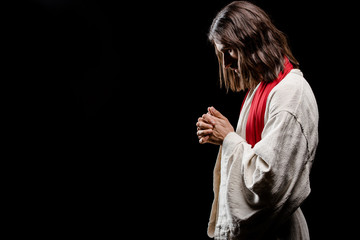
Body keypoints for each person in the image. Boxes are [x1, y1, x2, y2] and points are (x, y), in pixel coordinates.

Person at [196, 1, 319, 239]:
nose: (227, 64)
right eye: (222, 55)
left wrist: (229, 138)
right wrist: (224, 137)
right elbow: (254, 154)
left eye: (229, 51)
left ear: (252, 42)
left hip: (278, 231)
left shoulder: (290, 92)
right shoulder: (259, 90)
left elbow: (269, 179)